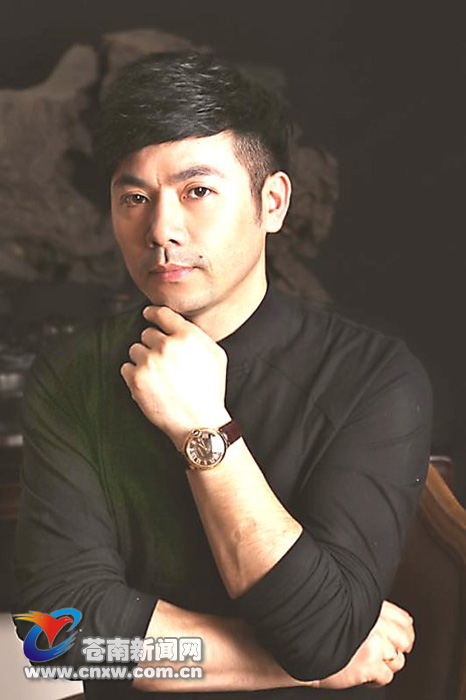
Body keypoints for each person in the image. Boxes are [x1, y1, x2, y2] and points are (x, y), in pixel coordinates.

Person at [13, 53, 432, 699]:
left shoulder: (373, 377)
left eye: (198, 191)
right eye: (135, 198)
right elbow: (57, 640)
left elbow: (321, 633)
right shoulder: (71, 373)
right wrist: (302, 665)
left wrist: (203, 428)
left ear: (273, 203)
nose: (161, 229)